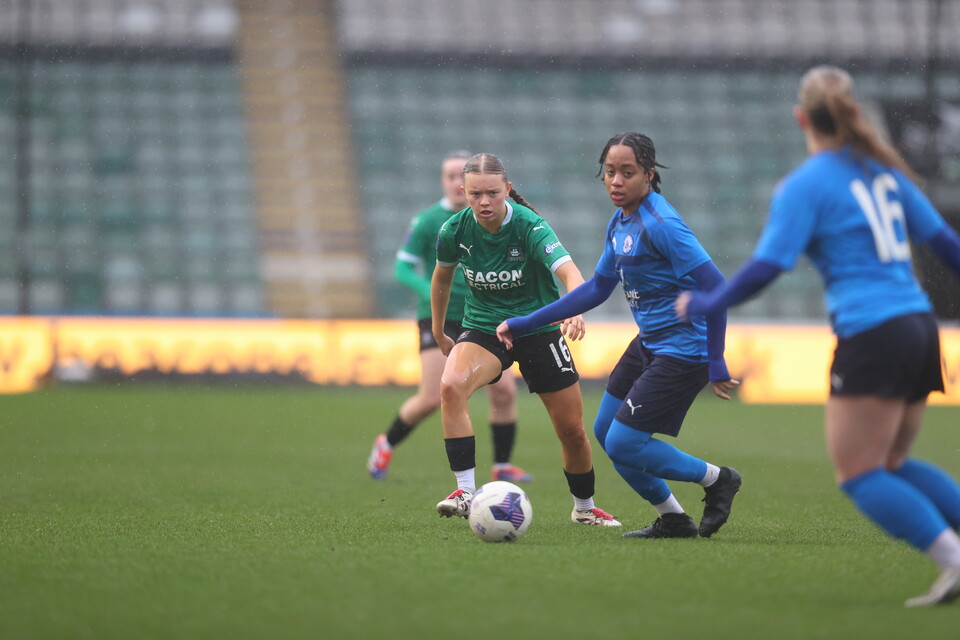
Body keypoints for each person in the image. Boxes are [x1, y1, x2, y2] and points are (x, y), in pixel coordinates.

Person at [675, 66, 960, 606]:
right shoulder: (885, 173)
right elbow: (947, 244)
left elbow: (768, 265)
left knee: (860, 474)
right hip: (920, 327)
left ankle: (952, 560)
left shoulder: (806, 184)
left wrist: (709, 300)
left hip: (873, 331)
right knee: (894, 462)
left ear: (801, 117)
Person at [498, 132, 742, 539]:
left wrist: (716, 361)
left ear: (648, 175)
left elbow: (716, 289)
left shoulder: (661, 225)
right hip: (649, 342)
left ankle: (718, 479)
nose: (616, 181)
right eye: (609, 172)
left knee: (625, 443)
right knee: (605, 432)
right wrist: (524, 322)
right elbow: (596, 289)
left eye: (627, 173)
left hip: (683, 350)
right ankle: (674, 519)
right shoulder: (621, 220)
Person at [432, 152, 620, 527]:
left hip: (537, 329)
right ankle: (465, 491)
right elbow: (441, 278)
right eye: (475, 194)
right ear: (463, 192)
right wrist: (439, 331)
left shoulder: (531, 227)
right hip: (484, 327)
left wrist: (574, 308)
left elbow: (570, 274)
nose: (484, 202)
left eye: (492, 193)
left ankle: (584, 508)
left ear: (508, 190)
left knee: (573, 431)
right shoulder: (453, 231)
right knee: (451, 386)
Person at [367, 151, 532, 484]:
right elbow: (401, 268)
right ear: (443, 181)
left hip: (484, 316)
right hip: (439, 318)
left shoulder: (497, 221)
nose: (458, 183)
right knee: (432, 396)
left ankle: (501, 466)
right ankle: (387, 442)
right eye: (451, 176)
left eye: (462, 176)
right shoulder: (430, 221)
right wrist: (434, 293)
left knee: (504, 393)